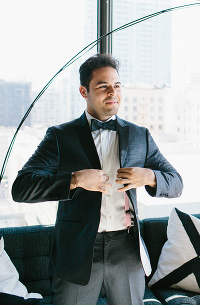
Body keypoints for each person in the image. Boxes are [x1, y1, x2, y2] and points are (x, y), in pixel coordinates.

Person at [12, 54, 183, 305]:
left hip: (127, 249)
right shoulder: (60, 136)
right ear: (84, 91)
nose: (112, 92)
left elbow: (176, 182)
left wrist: (149, 176)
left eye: (117, 85)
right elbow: (22, 187)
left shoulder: (140, 136)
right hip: (78, 250)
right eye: (103, 86)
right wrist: (75, 179)